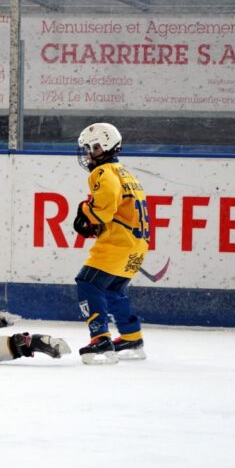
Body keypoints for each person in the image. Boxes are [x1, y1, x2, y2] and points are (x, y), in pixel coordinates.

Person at [72, 123, 149, 365]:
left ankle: (100, 340)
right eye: (87, 149)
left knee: (87, 282)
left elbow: (103, 209)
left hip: (118, 244)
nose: (88, 155)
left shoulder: (103, 172)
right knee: (113, 290)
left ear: (104, 147)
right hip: (137, 245)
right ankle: (131, 338)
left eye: (92, 148)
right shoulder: (126, 173)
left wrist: (85, 210)